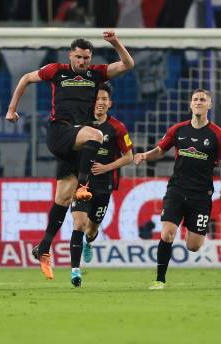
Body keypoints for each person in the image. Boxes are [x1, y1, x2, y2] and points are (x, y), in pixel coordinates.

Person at [5, 31, 134, 280]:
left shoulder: (96, 74)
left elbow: (128, 64)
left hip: (77, 143)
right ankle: (85, 185)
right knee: (96, 135)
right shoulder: (57, 70)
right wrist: (12, 109)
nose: (82, 62)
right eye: (78, 57)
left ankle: (43, 247)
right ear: (70, 55)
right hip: (60, 132)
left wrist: (115, 43)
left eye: (86, 57)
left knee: (63, 198)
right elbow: (25, 78)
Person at [134, 89, 221, 290]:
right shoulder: (178, 130)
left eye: (202, 100)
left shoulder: (218, 135)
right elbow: (160, 150)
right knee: (167, 233)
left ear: (209, 105)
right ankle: (160, 279)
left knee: (193, 246)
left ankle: (190, 228)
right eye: (195, 99)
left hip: (201, 194)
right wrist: (144, 155)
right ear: (190, 104)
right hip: (177, 189)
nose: (198, 102)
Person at [70, 82, 133, 287]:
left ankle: (90, 241)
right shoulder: (82, 123)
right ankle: (75, 271)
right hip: (82, 183)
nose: (100, 102)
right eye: (97, 98)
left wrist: (107, 168)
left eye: (104, 99)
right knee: (78, 224)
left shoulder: (117, 127)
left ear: (110, 103)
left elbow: (129, 156)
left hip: (104, 184)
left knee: (91, 229)